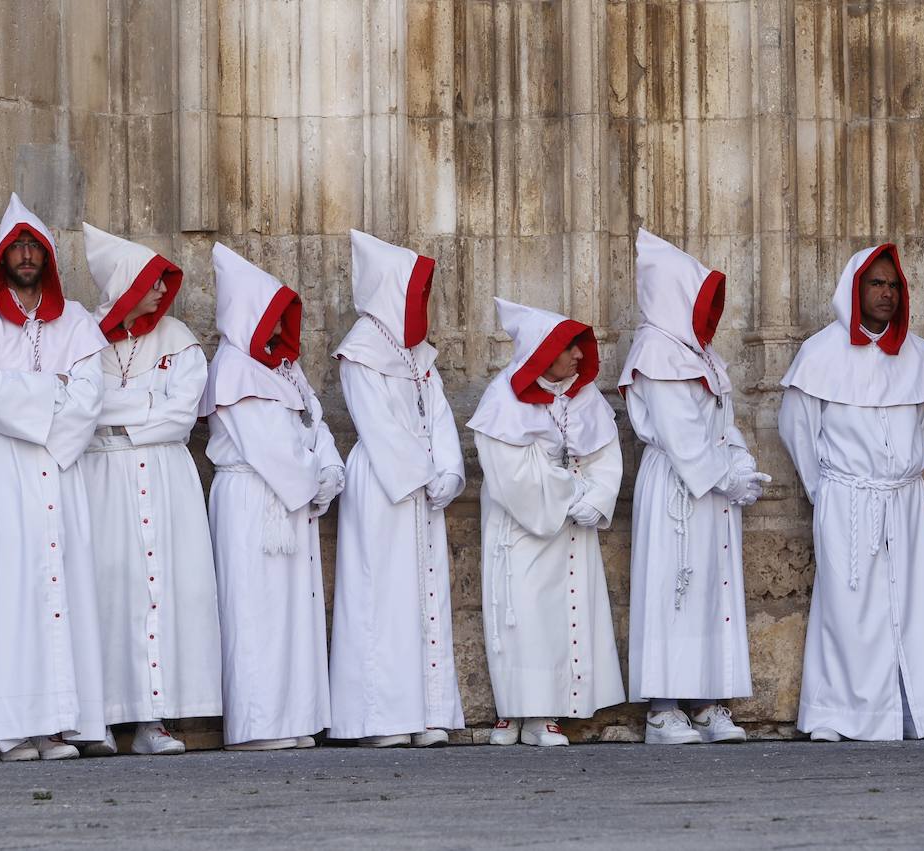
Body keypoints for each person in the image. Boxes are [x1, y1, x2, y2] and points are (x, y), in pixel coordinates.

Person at [0, 193, 109, 761]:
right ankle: (11, 727)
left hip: (61, 469)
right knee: (13, 590)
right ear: (1, 257)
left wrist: (46, 409)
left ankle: (59, 723)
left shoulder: (78, 322)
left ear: (47, 256)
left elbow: (92, 396)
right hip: (9, 469)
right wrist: (54, 393)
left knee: (61, 588)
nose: (24, 254)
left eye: (33, 246)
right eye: (15, 246)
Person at [779, 244, 924, 742]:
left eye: (894, 285)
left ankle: (913, 710)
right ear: (855, 290)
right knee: (846, 607)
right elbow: (798, 428)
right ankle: (835, 714)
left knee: (912, 604)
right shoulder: (820, 353)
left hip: (904, 498)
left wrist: (899, 470)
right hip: (845, 497)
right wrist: (826, 490)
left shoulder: (918, 355)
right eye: (876, 284)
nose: (887, 293)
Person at [618, 228, 770, 745]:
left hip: (711, 489)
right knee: (672, 588)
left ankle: (705, 699)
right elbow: (680, 435)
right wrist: (726, 476)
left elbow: (722, 420)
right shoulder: (655, 351)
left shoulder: (699, 353)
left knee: (709, 587)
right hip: (677, 489)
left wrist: (742, 461)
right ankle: (662, 708)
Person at [77, 223, 222, 757]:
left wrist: (119, 414)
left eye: (164, 280)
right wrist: (142, 407)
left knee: (164, 591)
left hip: (163, 475)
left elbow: (181, 414)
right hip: (102, 478)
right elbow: (80, 408)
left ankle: (153, 720)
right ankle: (101, 717)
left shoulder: (178, 339)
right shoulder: (84, 336)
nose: (163, 290)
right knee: (108, 589)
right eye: (152, 280)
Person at [201, 243, 344, 751]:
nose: (283, 326)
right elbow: (265, 443)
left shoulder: (284, 369)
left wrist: (329, 468)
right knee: (254, 612)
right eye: (273, 316)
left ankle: (293, 718)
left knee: (293, 614)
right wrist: (311, 475)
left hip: (289, 499)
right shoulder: (233, 368)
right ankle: (257, 725)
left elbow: (313, 421)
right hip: (251, 499)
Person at [329, 230, 465, 748]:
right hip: (386, 484)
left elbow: (441, 413)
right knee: (381, 594)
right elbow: (377, 424)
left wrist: (449, 470)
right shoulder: (362, 351)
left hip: (422, 484)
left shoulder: (417, 356)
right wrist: (421, 471)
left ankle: (425, 709)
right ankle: (378, 717)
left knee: (424, 595)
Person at [468, 298, 626, 747]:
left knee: (562, 614)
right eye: (570, 348)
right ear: (543, 352)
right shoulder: (503, 396)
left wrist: (594, 498)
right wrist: (570, 492)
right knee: (521, 612)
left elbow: (604, 455)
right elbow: (509, 472)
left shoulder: (584, 395)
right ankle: (514, 709)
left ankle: (546, 714)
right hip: (522, 525)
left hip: (571, 527)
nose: (579, 356)